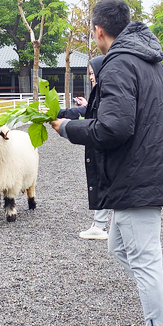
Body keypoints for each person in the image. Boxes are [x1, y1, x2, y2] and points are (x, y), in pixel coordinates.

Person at [49, 0, 163, 326]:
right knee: (119, 247)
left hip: (135, 177)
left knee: (145, 263)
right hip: (148, 171)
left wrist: (68, 130)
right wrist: (67, 115)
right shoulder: (146, 58)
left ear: (98, 30)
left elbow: (113, 127)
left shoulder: (117, 62)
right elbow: (113, 111)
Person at [56, 55, 110, 240]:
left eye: (93, 73)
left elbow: (88, 113)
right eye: (90, 74)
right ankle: (100, 225)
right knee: (104, 182)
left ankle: (100, 226)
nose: (92, 77)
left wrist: (60, 114)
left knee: (104, 181)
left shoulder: (106, 91)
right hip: (102, 146)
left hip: (105, 146)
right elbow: (89, 110)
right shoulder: (102, 90)